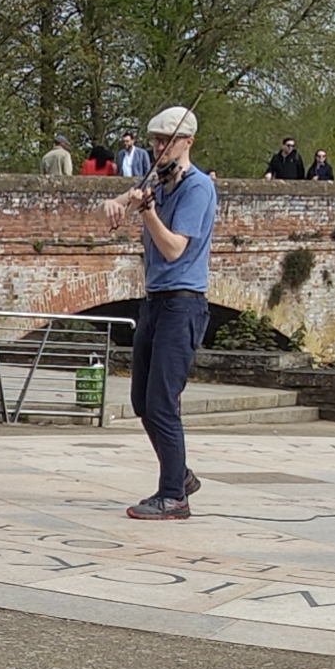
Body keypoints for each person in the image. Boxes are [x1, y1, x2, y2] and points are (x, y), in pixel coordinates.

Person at [106, 102, 214, 521]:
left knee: (163, 401)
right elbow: (121, 202)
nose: (158, 148)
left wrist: (146, 211)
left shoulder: (197, 187)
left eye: (166, 141)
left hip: (183, 303)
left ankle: (174, 496)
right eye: (154, 140)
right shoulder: (163, 183)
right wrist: (117, 203)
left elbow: (173, 248)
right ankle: (180, 473)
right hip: (154, 300)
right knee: (141, 400)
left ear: (186, 142)